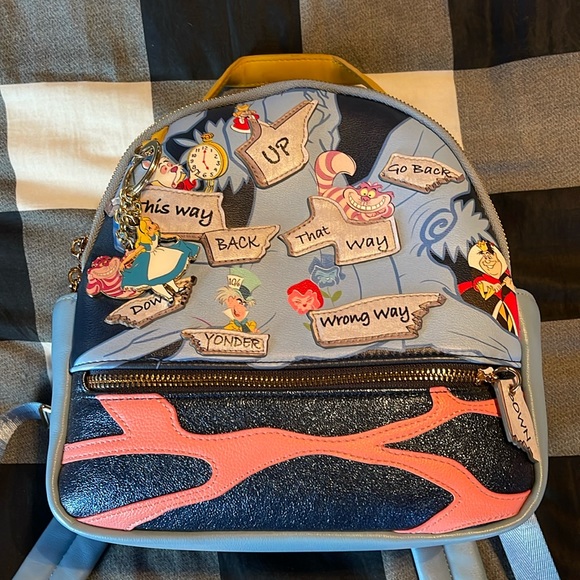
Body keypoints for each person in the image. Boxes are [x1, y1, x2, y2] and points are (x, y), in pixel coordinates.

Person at [121, 217, 199, 301]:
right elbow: (134, 253)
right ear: (147, 230)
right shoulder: (145, 241)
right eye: (150, 226)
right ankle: (168, 296)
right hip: (147, 262)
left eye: (152, 222)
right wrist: (123, 263)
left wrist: (174, 236)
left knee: (167, 274)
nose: (154, 225)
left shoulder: (156, 234)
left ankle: (176, 289)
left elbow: (165, 237)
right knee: (154, 280)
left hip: (158, 254)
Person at [458, 240, 519, 335]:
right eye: (483, 258)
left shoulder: (507, 281)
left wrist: (511, 287)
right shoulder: (480, 282)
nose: (487, 260)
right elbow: (479, 284)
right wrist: (489, 286)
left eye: (489, 255)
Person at [215, 267, 262, 332]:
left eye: (244, 304)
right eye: (239, 302)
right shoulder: (229, 325)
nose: (242, 308)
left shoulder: (251, 325)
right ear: (230, 300)